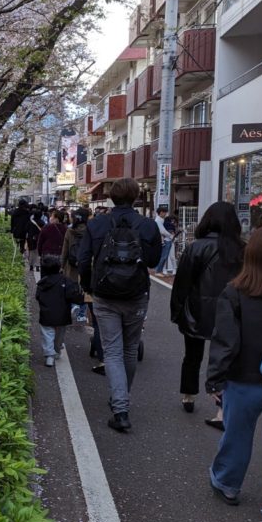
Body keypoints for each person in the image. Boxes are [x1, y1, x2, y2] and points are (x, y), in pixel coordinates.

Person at [205, 225, 262, 522]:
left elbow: (226, 341)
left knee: (236, 437)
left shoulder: (235, 292)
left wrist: (215, 379)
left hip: (243, 380)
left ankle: (227, 483)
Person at [76, 177, 162, 432]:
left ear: (111, 197)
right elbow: (154, 261)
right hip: (136, 294)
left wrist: (88, 285)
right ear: (135, 197)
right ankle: (121, 397)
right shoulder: (147, 225)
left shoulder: (98, 223)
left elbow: (83, 259)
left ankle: (120, 408)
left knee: (112, 350)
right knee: (130, 348)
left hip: (104, 293)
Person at [170, 202, 244, 418]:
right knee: (227, 357)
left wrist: (177, 311)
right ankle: (222, 405)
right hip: (231, 311)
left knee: (192, 356)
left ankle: (188, 394)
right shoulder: (242, 249)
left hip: (197, 310)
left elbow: (182, 283)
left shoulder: (196, 247)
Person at [36, 255, 84, 367]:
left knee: (47, 334)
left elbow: (38, 296)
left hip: (46, 314)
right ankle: (56, 351)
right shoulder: (66, 281)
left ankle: (49, 356)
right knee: (59, 335)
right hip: (62, 314)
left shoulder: (42, 283)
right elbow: (72, 295)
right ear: (59, 268)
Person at [62, 207, 91, 324]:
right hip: (86, 264)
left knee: (71, 287)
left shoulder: (69, 231)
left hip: (71, 264)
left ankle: (73, 306)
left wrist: (61, 265)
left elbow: (65, 250)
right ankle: (81, 314)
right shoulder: (91, 230)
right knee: (85, 288)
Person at [154, 206, 175, 274]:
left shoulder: (161, 220)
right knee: (164, 256)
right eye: (165, 213)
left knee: (166, 256)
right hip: (165, 240)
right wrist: (171, 236)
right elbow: (162, 231)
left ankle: (160, 270)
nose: (166, 214)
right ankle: (159, 271)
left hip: (166, 239)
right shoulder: (158, 220)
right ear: (161, 213)